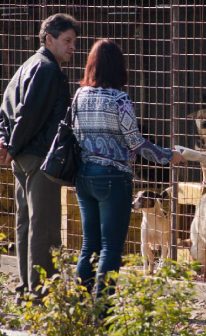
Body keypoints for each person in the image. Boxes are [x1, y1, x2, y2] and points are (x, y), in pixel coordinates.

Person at [73, 39, 185, 302]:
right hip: (113, 178)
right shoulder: (119, 99)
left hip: (84, 175)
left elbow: (75, 134)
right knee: (111, 246)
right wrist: (169, 156)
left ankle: (78, 305)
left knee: (89, 244)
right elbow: (136, 142)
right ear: (118, 68)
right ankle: (103, 310)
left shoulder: (79, 95)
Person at [0, 14, 80, 302]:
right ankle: (42, 295)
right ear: (49, 39)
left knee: (25, 223)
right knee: (44, 226)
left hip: (22, 157)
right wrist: (11, 145)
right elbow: (30, 115)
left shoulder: (27, 65)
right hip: (39, 157)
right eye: (67, 41)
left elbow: (6, 107)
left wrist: (6, 143)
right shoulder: (48, 69)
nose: (73, 47)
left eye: (74, 42)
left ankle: (25, 289)